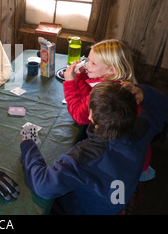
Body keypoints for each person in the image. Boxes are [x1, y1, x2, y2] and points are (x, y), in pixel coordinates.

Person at [20, 81, 168, 215]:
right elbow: (163, 107)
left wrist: (28, 144)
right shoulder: (141, 130)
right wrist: (142, 91)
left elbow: (43, 186)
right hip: (112, 205)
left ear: (91, 115)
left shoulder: (85, 155)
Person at [63, 39, 154, 181]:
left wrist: (70, 83)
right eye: (88, 60)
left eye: (93, 63)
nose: (87, 65)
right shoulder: (116, 82)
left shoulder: (109, 95)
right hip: (135, 152)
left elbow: (79, 116)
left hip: (126, 164)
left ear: (112, 70)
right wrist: (80, 77)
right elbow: (89, 97)